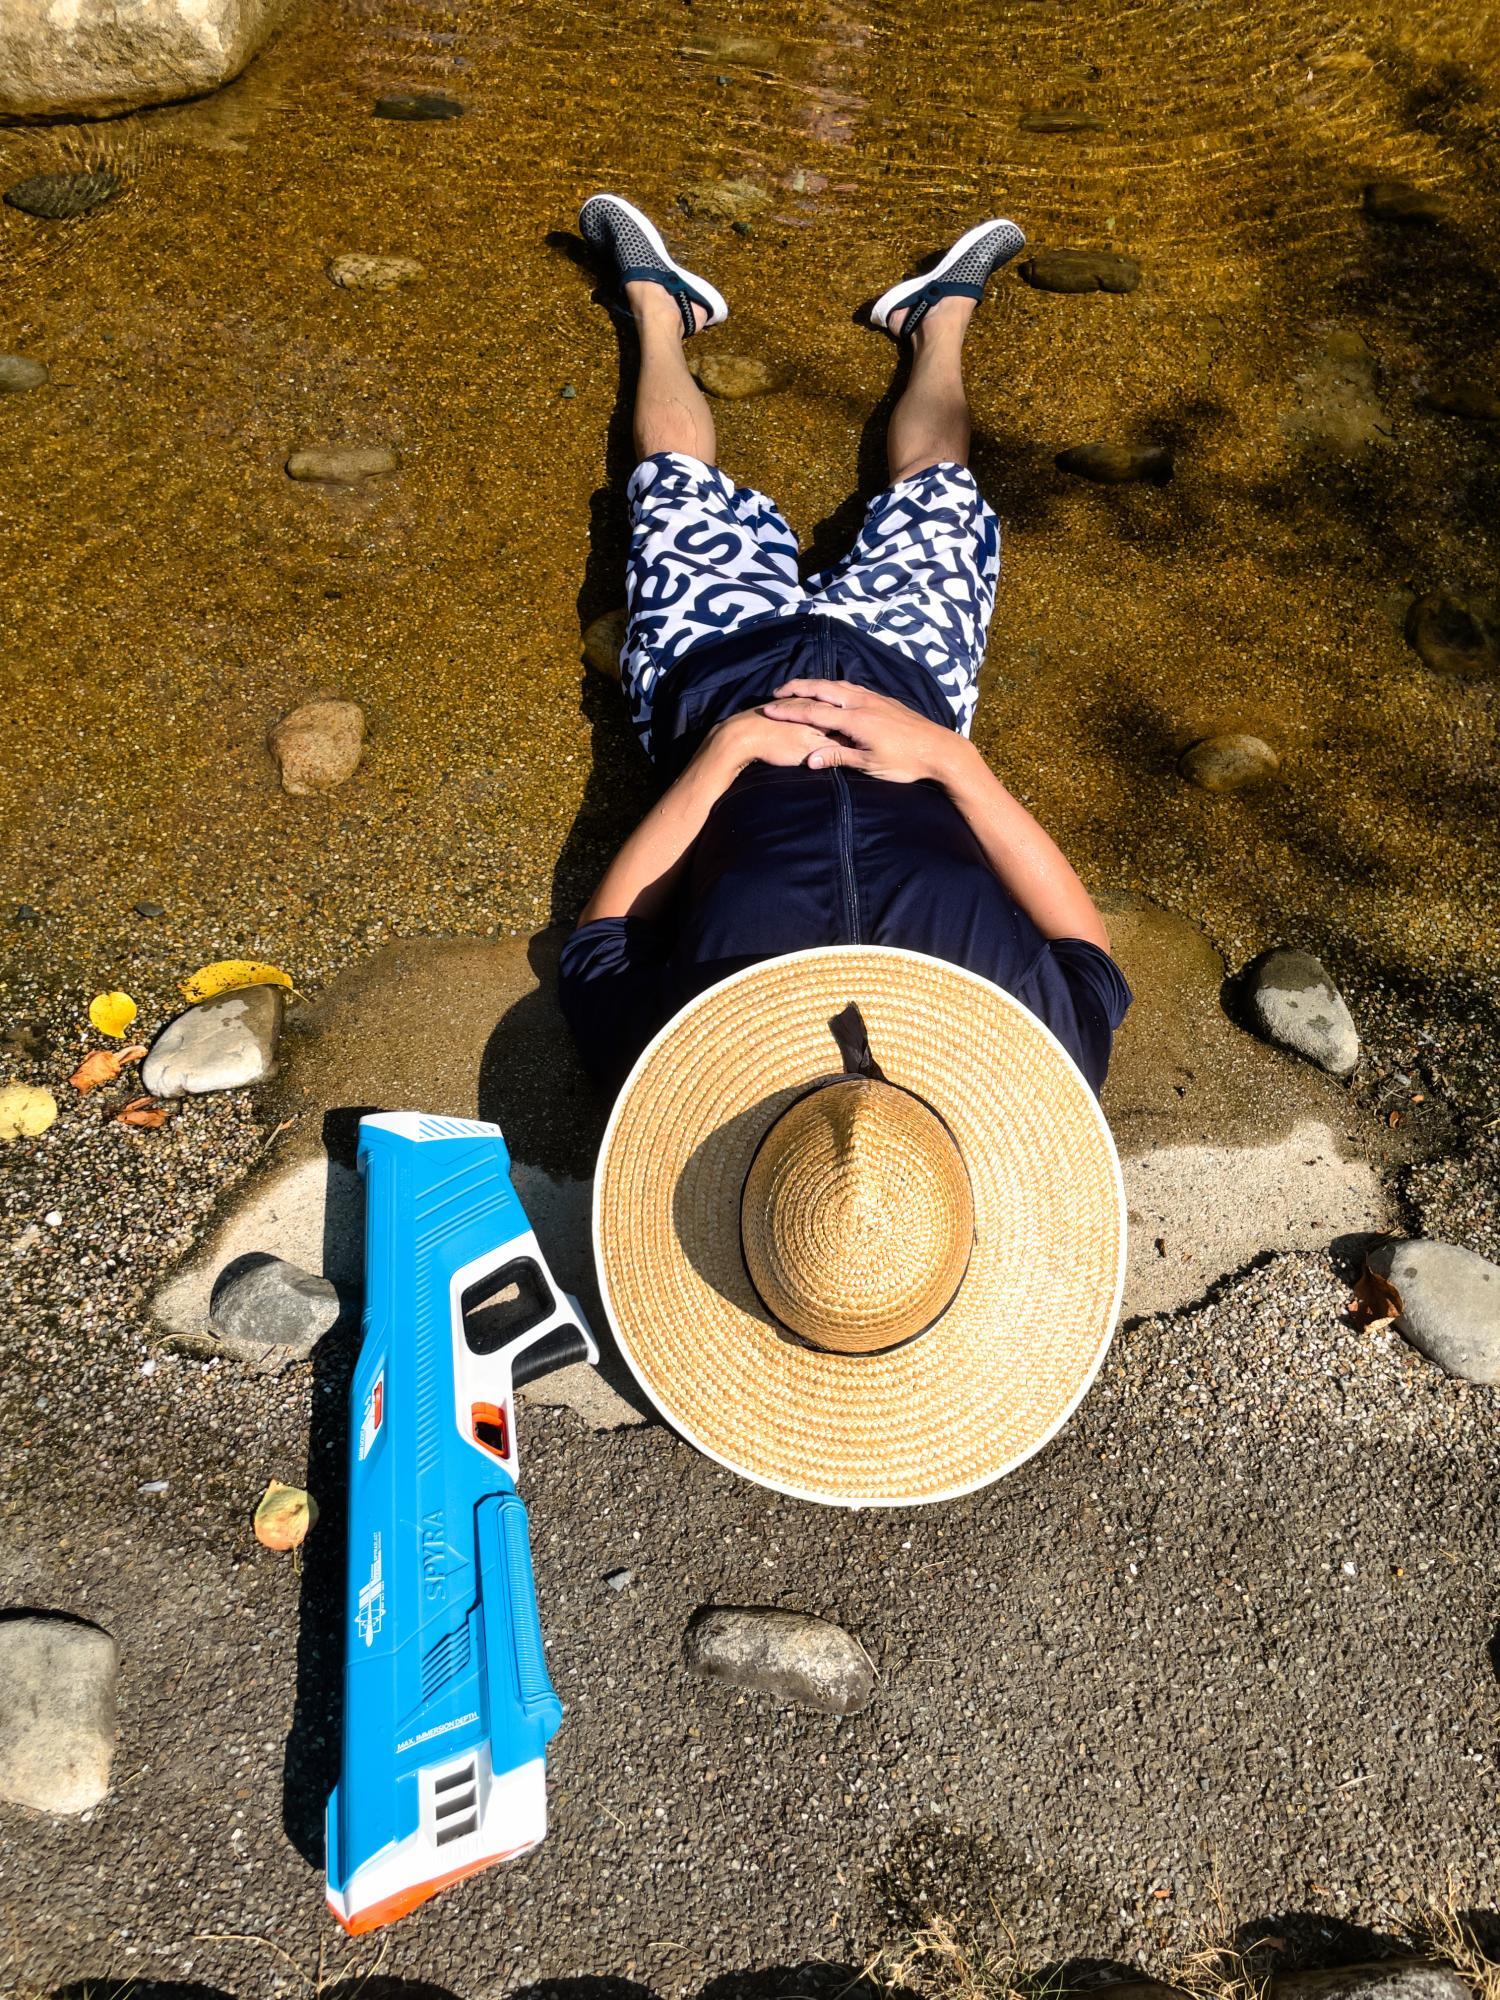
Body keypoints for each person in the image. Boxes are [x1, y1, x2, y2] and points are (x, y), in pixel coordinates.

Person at [558, 194, 1131, 1101]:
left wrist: (724, 755)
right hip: (908, 691)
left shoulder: (678, 1073)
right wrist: (952, 763)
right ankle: (935, 322)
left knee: (670, 484)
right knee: (942, 487)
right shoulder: (1038, 1061)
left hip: (715, 685)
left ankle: (662, 313)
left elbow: (597, 949)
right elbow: (1089, 955)